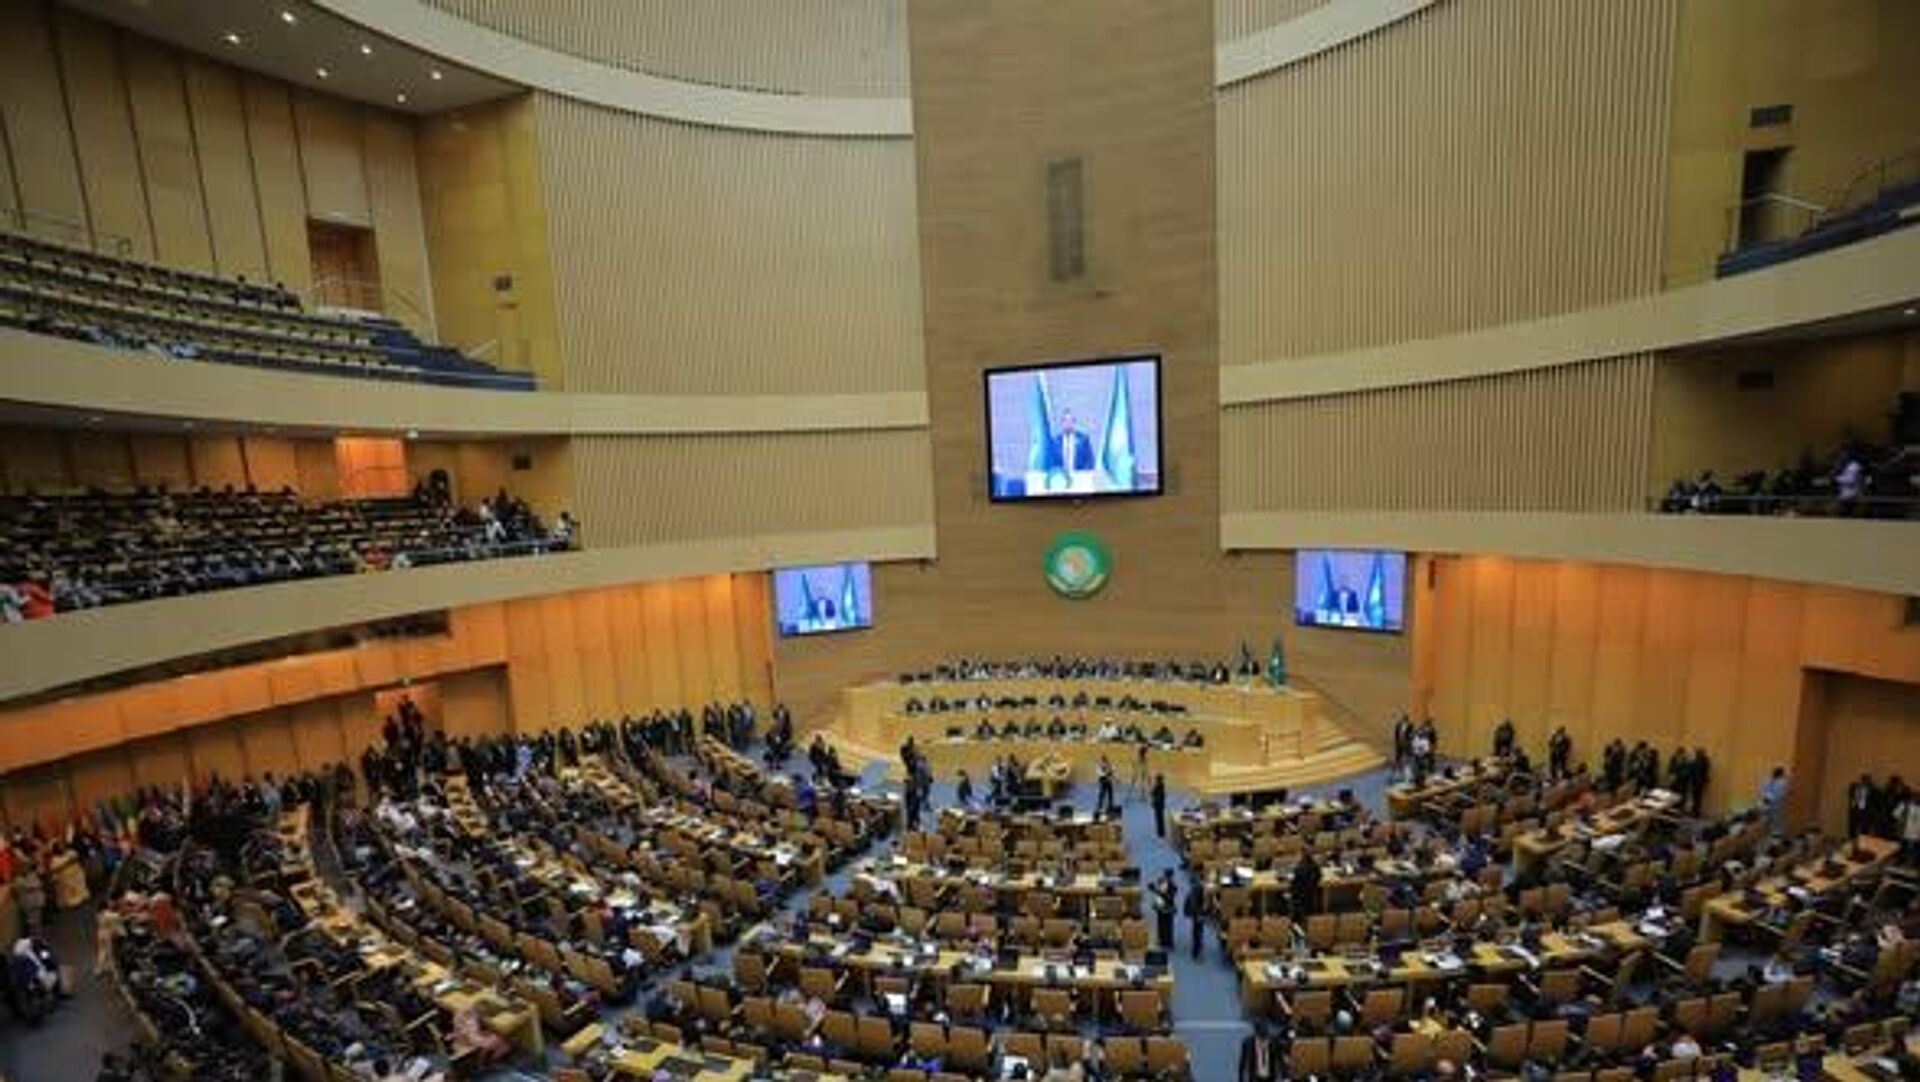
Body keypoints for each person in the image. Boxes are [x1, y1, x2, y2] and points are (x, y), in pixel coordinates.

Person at [1290, 848, 1322, 918]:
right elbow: (1319, 876)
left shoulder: (1299, 867)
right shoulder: (1315, 866)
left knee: (1285, 894)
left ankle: (1294, 914)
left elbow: (1294, 880)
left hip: (1300, 894)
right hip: (1312, 892)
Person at [1183, 876, 1208, 960]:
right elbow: (1195, 903)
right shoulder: (1197, 889)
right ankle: (1196, 954)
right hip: (1198, 914)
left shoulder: (1197, 888)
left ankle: (1197, 950)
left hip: (1198, 914)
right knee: (1198, 933)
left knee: (1197, 932)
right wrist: (1199, 915)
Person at [1150, 870, 1176, 949]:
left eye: (1167, 876)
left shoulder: (1172, 886)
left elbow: (1168, 897)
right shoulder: (1163, 883)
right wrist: (1154, 890)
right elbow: (1160, 894)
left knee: (1167, 926)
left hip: (1168, 908)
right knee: (1161, 925)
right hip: (1161, 907)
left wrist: (1155, 890)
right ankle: (1162, 940)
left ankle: (1168, 943)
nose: (1166, 877)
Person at [1760, 766, 1790, 835]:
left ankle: (1773, 833)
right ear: (1782, 774)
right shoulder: (1783, 783)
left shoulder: (1769, 782)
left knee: (1772, 821)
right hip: (1776, 805)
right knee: (1777, 822)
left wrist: (1767, 800)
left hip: (1770, 805)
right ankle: (1776, 834)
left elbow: (1764, 793)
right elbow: (1782, 795)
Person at [1848, 773, 1876, 838]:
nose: (1866, 782)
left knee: (1867, 835)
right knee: (1857, 833)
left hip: (1868, 817)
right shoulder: (1857, 789)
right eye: (1865, 780)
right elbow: (1853, 803)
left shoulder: (1874, 791)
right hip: (1858, 815)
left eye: (1868, 781)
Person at [1149, 774, 1168, 838]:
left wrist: (1152, 792)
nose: (1155, 781)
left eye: (1156, 780)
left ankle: (1161, 833)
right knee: (1160, 819)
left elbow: (1154, 794)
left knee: (1159, 819)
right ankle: (1160, 832)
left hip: (1158, 805)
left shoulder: (1159, 786)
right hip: (1159, 805)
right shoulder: (1160, 786)